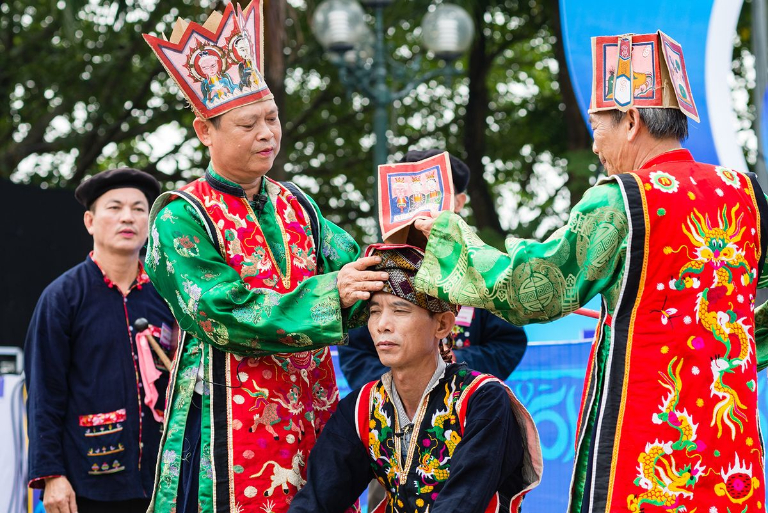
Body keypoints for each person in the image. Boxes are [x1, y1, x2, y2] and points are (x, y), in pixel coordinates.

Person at [412, 31, 768, 512]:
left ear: (632, 120)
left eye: (598, 128)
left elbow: (532, 287)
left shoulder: (621, 198)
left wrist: (451, 241)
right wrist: (738, 348)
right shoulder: (745, 193)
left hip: (646, 438)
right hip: (729, 443)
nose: (597, 147)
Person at [143, 3, 386, 512]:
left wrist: (411, 246)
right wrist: (330, 295)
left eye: (272, 118)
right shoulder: (179, 217)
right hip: (228, 419)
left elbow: (358, 270)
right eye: (248, 123)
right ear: (204, 131)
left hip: (311, 406)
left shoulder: (297, 204)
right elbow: (219, 311)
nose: (267, 134)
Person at [289, 244, 542, 513]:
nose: (382, 324)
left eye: (400, 310)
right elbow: (317, 499)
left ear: (443, 325)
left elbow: (462, 503)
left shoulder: (482, 401)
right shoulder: (362, 408)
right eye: (375, 311)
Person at [25, 168, 175, 513]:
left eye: (140, 209)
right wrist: (51, 475)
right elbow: (44, 394)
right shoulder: (62, 297)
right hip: (88, 477)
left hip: (164, 476)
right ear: (90, 221)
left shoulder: (167, 295)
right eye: (115, 207)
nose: (128, 217)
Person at [339, 150, 528, 389]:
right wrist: (397, 385)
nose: (419, 208)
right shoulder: (375, 264)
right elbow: (355, 351)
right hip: (390, 406)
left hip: (464, 400)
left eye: (431, 195)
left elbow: (508, 343)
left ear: (458, 202)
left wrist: (452, 368)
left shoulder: (479, 263)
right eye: (408, 194)